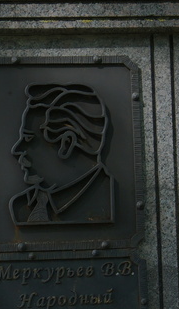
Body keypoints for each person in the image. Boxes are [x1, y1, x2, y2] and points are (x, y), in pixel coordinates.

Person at [9, 82, 115, 225]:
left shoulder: (109, 201)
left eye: (28, 138)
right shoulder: (21, 206)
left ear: (67, 143)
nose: (17, 150)